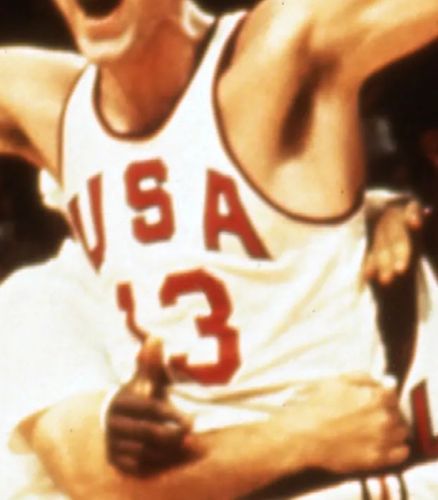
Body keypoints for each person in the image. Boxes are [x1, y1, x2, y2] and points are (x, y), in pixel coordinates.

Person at [0, 0, 437, 497]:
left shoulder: (279, 52)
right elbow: (96, 480)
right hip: (208, 477)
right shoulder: (46, 106)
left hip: (340, 472)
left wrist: (379, 209)